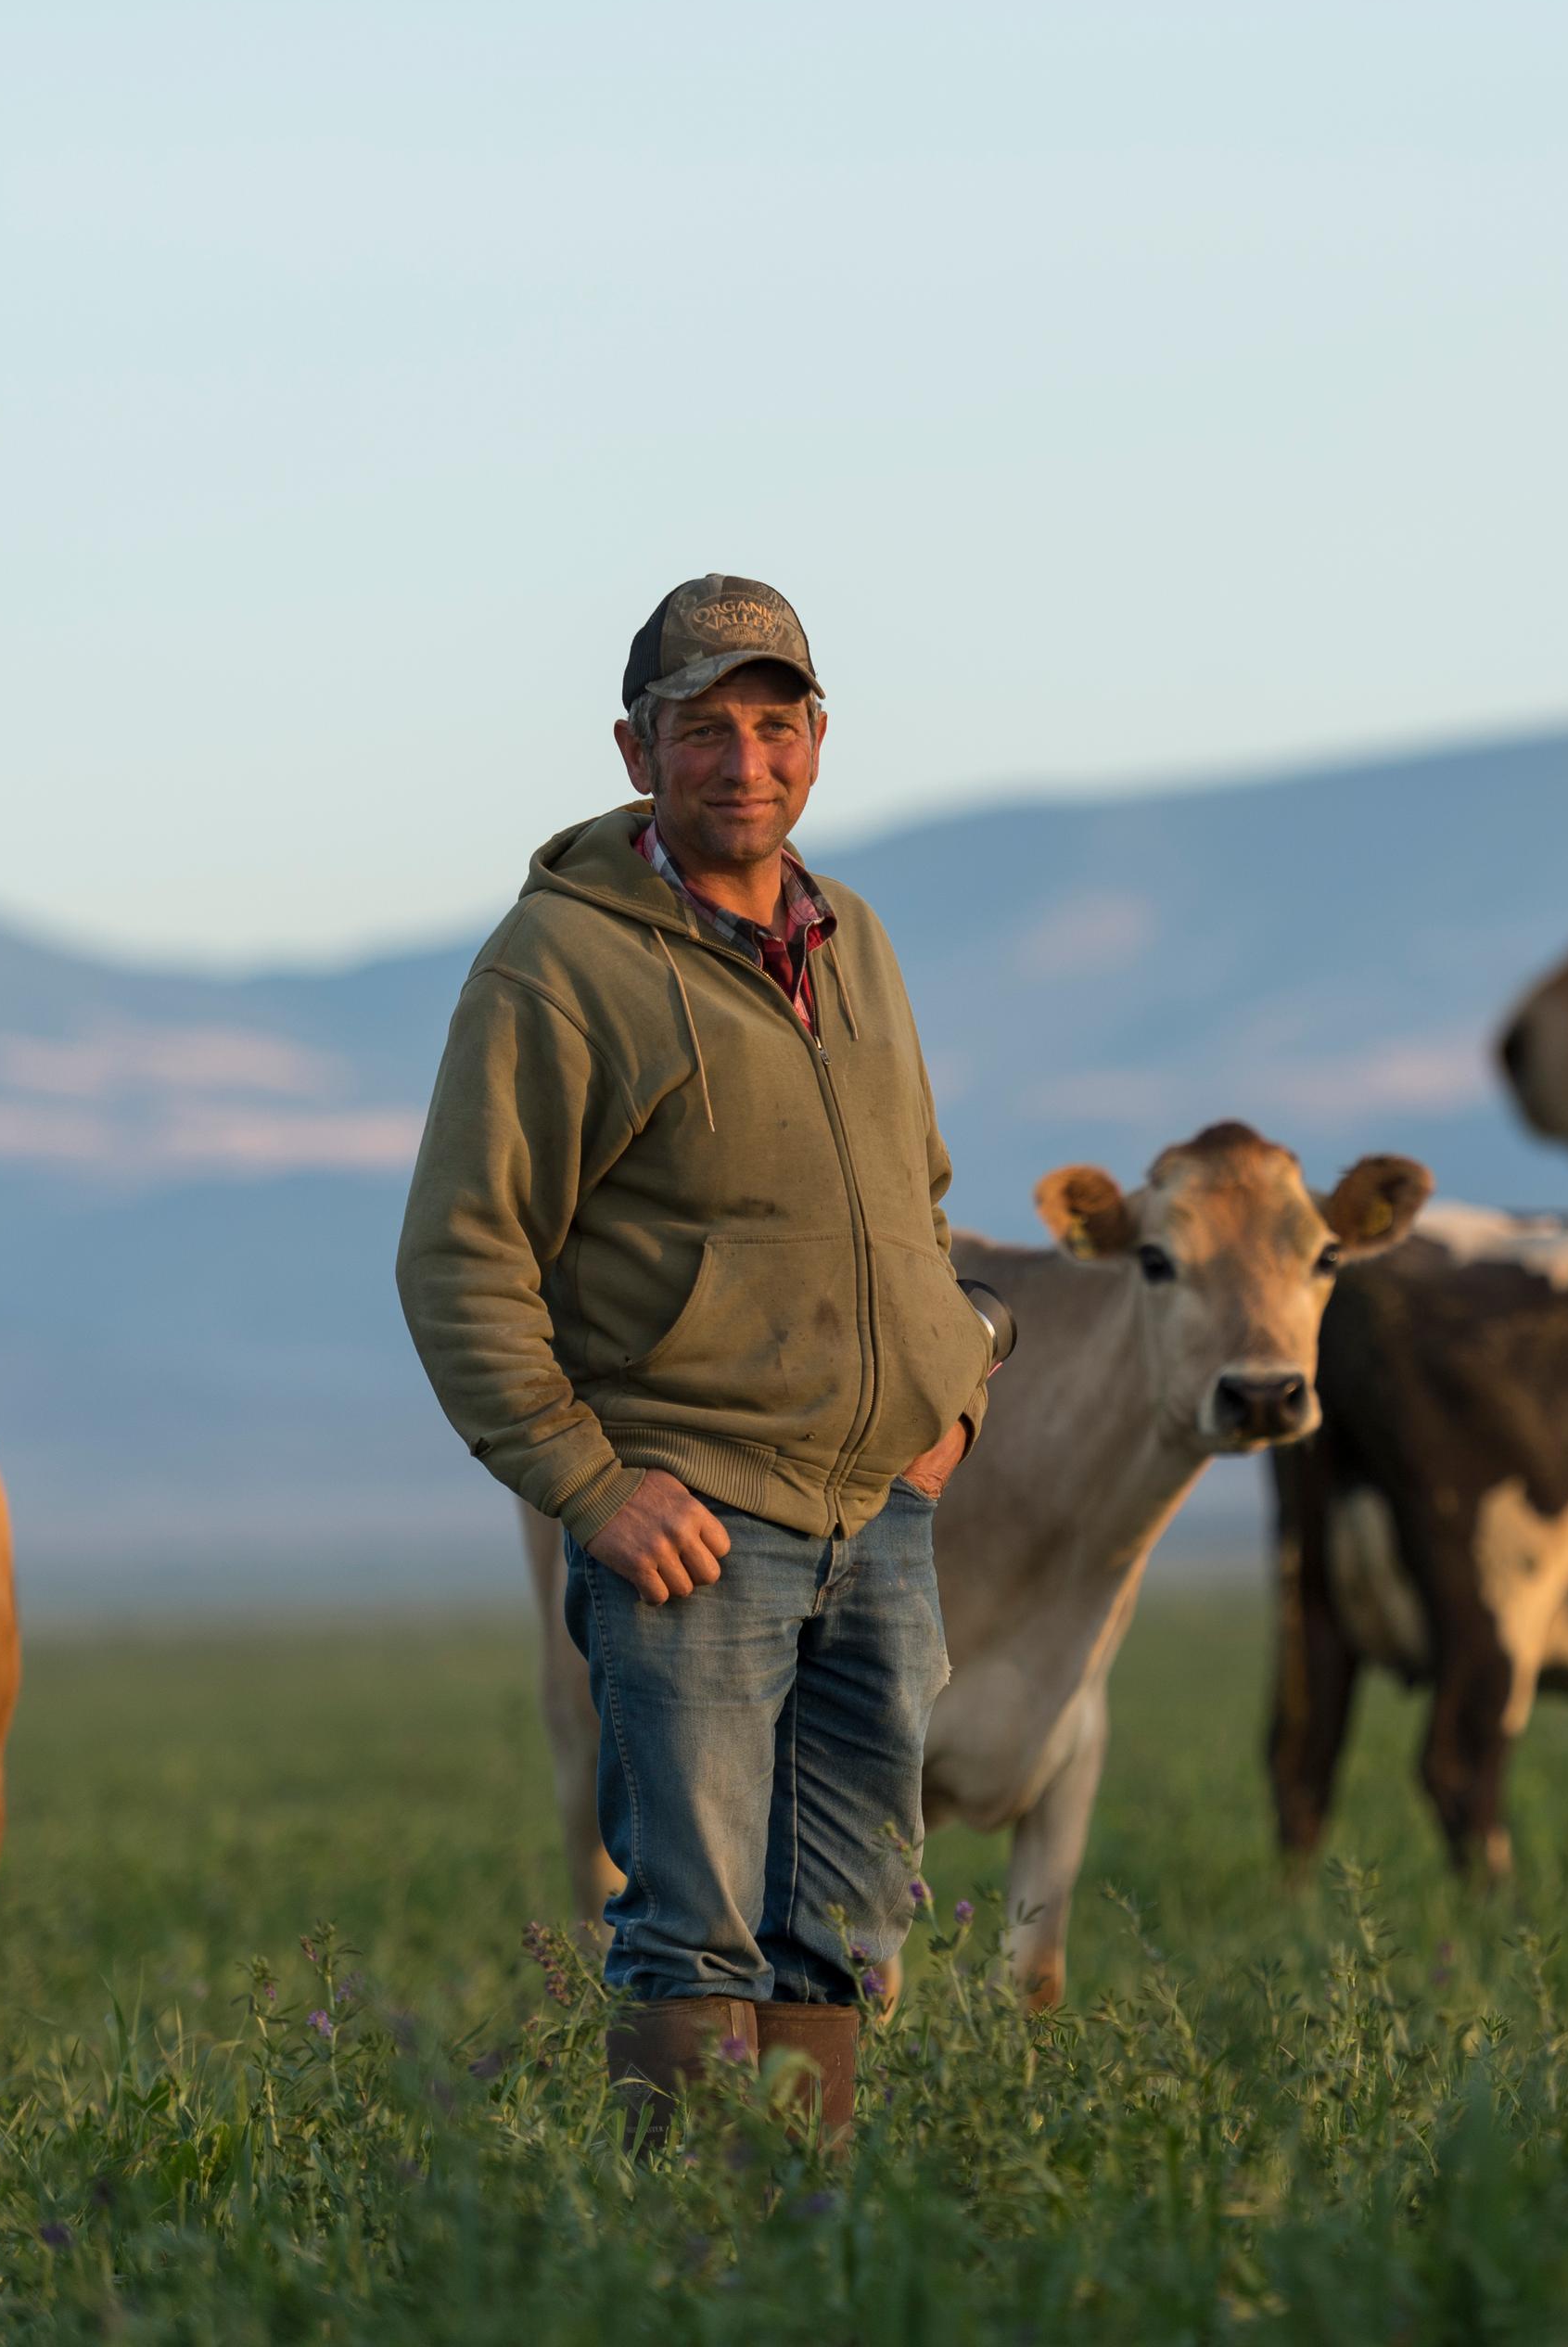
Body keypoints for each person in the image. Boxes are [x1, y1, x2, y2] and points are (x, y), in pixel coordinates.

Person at [395, 574, 996, 2149]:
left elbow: (913, 1194)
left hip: (882, 1521)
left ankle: (805, 2245)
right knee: (694, 1930)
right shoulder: (556, 965)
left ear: (817, 741)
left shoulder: (851, 935)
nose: (747, 760)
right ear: (634, 749)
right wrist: (592, 1489)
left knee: (850, 1929)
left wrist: (954, 1397)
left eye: (775, 723)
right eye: (704, 729)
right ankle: (686, 2269)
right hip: (697, 1537)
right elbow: (462, 1256)